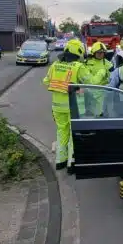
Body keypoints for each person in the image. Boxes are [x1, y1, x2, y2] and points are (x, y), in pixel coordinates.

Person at [43, 39, 94, 170]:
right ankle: (72, 163)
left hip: (57, 106)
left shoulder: (55, 65)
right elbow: (91, 83)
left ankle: (60, 161)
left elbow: (46, 82)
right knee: (73, 134)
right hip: (74, 106)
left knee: (61, 132)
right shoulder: (78, 67)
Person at [83, 41, 114, 116]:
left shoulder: (107, 63)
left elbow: (112, 77)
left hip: (102, 91)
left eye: (102, 53)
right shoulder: (87, 63)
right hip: (89, 91)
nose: (100, 54)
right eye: (98, 53)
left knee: (100, 112)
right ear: (94, 53)